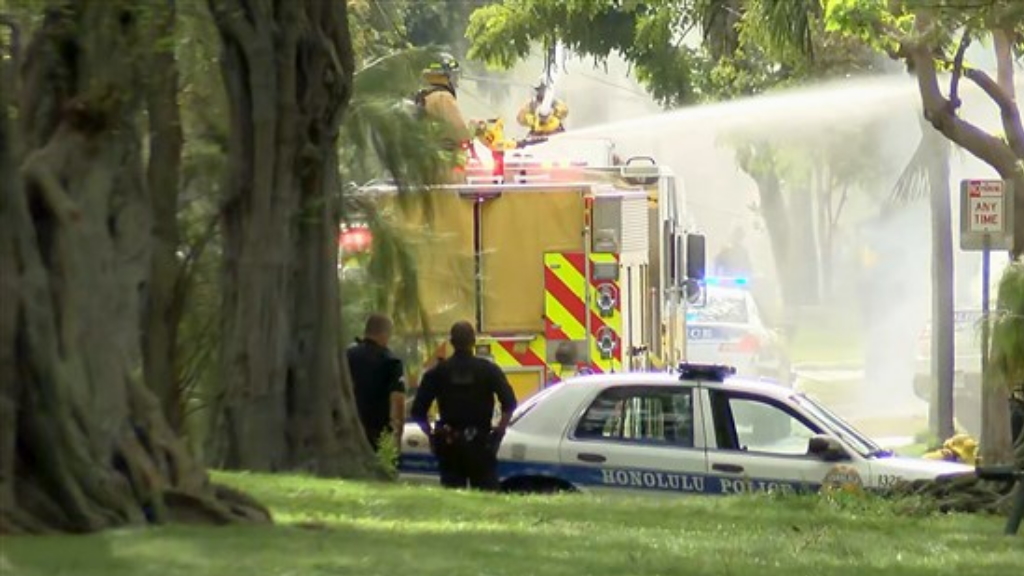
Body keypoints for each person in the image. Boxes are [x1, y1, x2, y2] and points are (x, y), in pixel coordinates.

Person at [410, 321, 517, 490]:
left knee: (453, 497)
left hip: (449, 443)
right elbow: (509, 403)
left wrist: (431, 435)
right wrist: (498, 432)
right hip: (481, 444)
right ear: (473, 341)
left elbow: (418, 411)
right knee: (486, 496)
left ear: (451, 342)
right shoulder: (489, 370)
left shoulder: (437, 373)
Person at [347, 314, 406, 452]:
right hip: (378, 433)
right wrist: (397, 437)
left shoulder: (347, 356)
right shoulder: (392, 362)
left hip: (349, 431)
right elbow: (398, 401)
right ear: (386, 334)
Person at [413, 52, 473, 157]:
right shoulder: (443, 97)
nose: (456, 80)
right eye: (454, 75)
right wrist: (476, 128)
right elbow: (460, 130)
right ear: (446, 75)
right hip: (444, 157)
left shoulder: (422, 96)